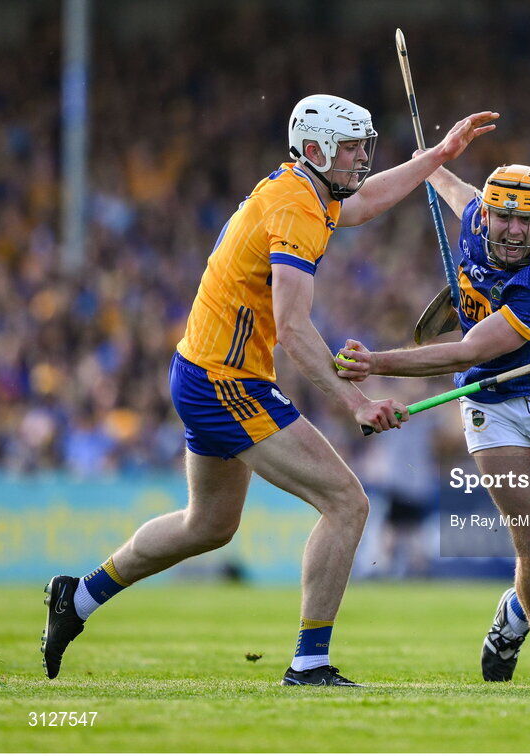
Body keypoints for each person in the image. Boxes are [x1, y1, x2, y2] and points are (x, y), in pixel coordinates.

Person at [41, 95, 498, 687]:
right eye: (352, 148)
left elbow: (363, 204)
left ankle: (75, 599)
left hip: (200, 369)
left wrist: (436, 158)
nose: (363, 158)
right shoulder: (297, 208)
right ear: (315, 151)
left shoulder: (306, 189)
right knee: (347, 503)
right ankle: (309, 663)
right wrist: (357, 402)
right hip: (226, 380)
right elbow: (292, 328)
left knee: (207, 525)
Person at [334, 164, 530, 688]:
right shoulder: (476, 215)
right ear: (489, 214)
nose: (514, 230)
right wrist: (435, 156)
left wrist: (378, 363)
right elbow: (448, 184)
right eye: (503, 217)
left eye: (528, 220)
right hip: (490, 405)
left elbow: (472, 347)